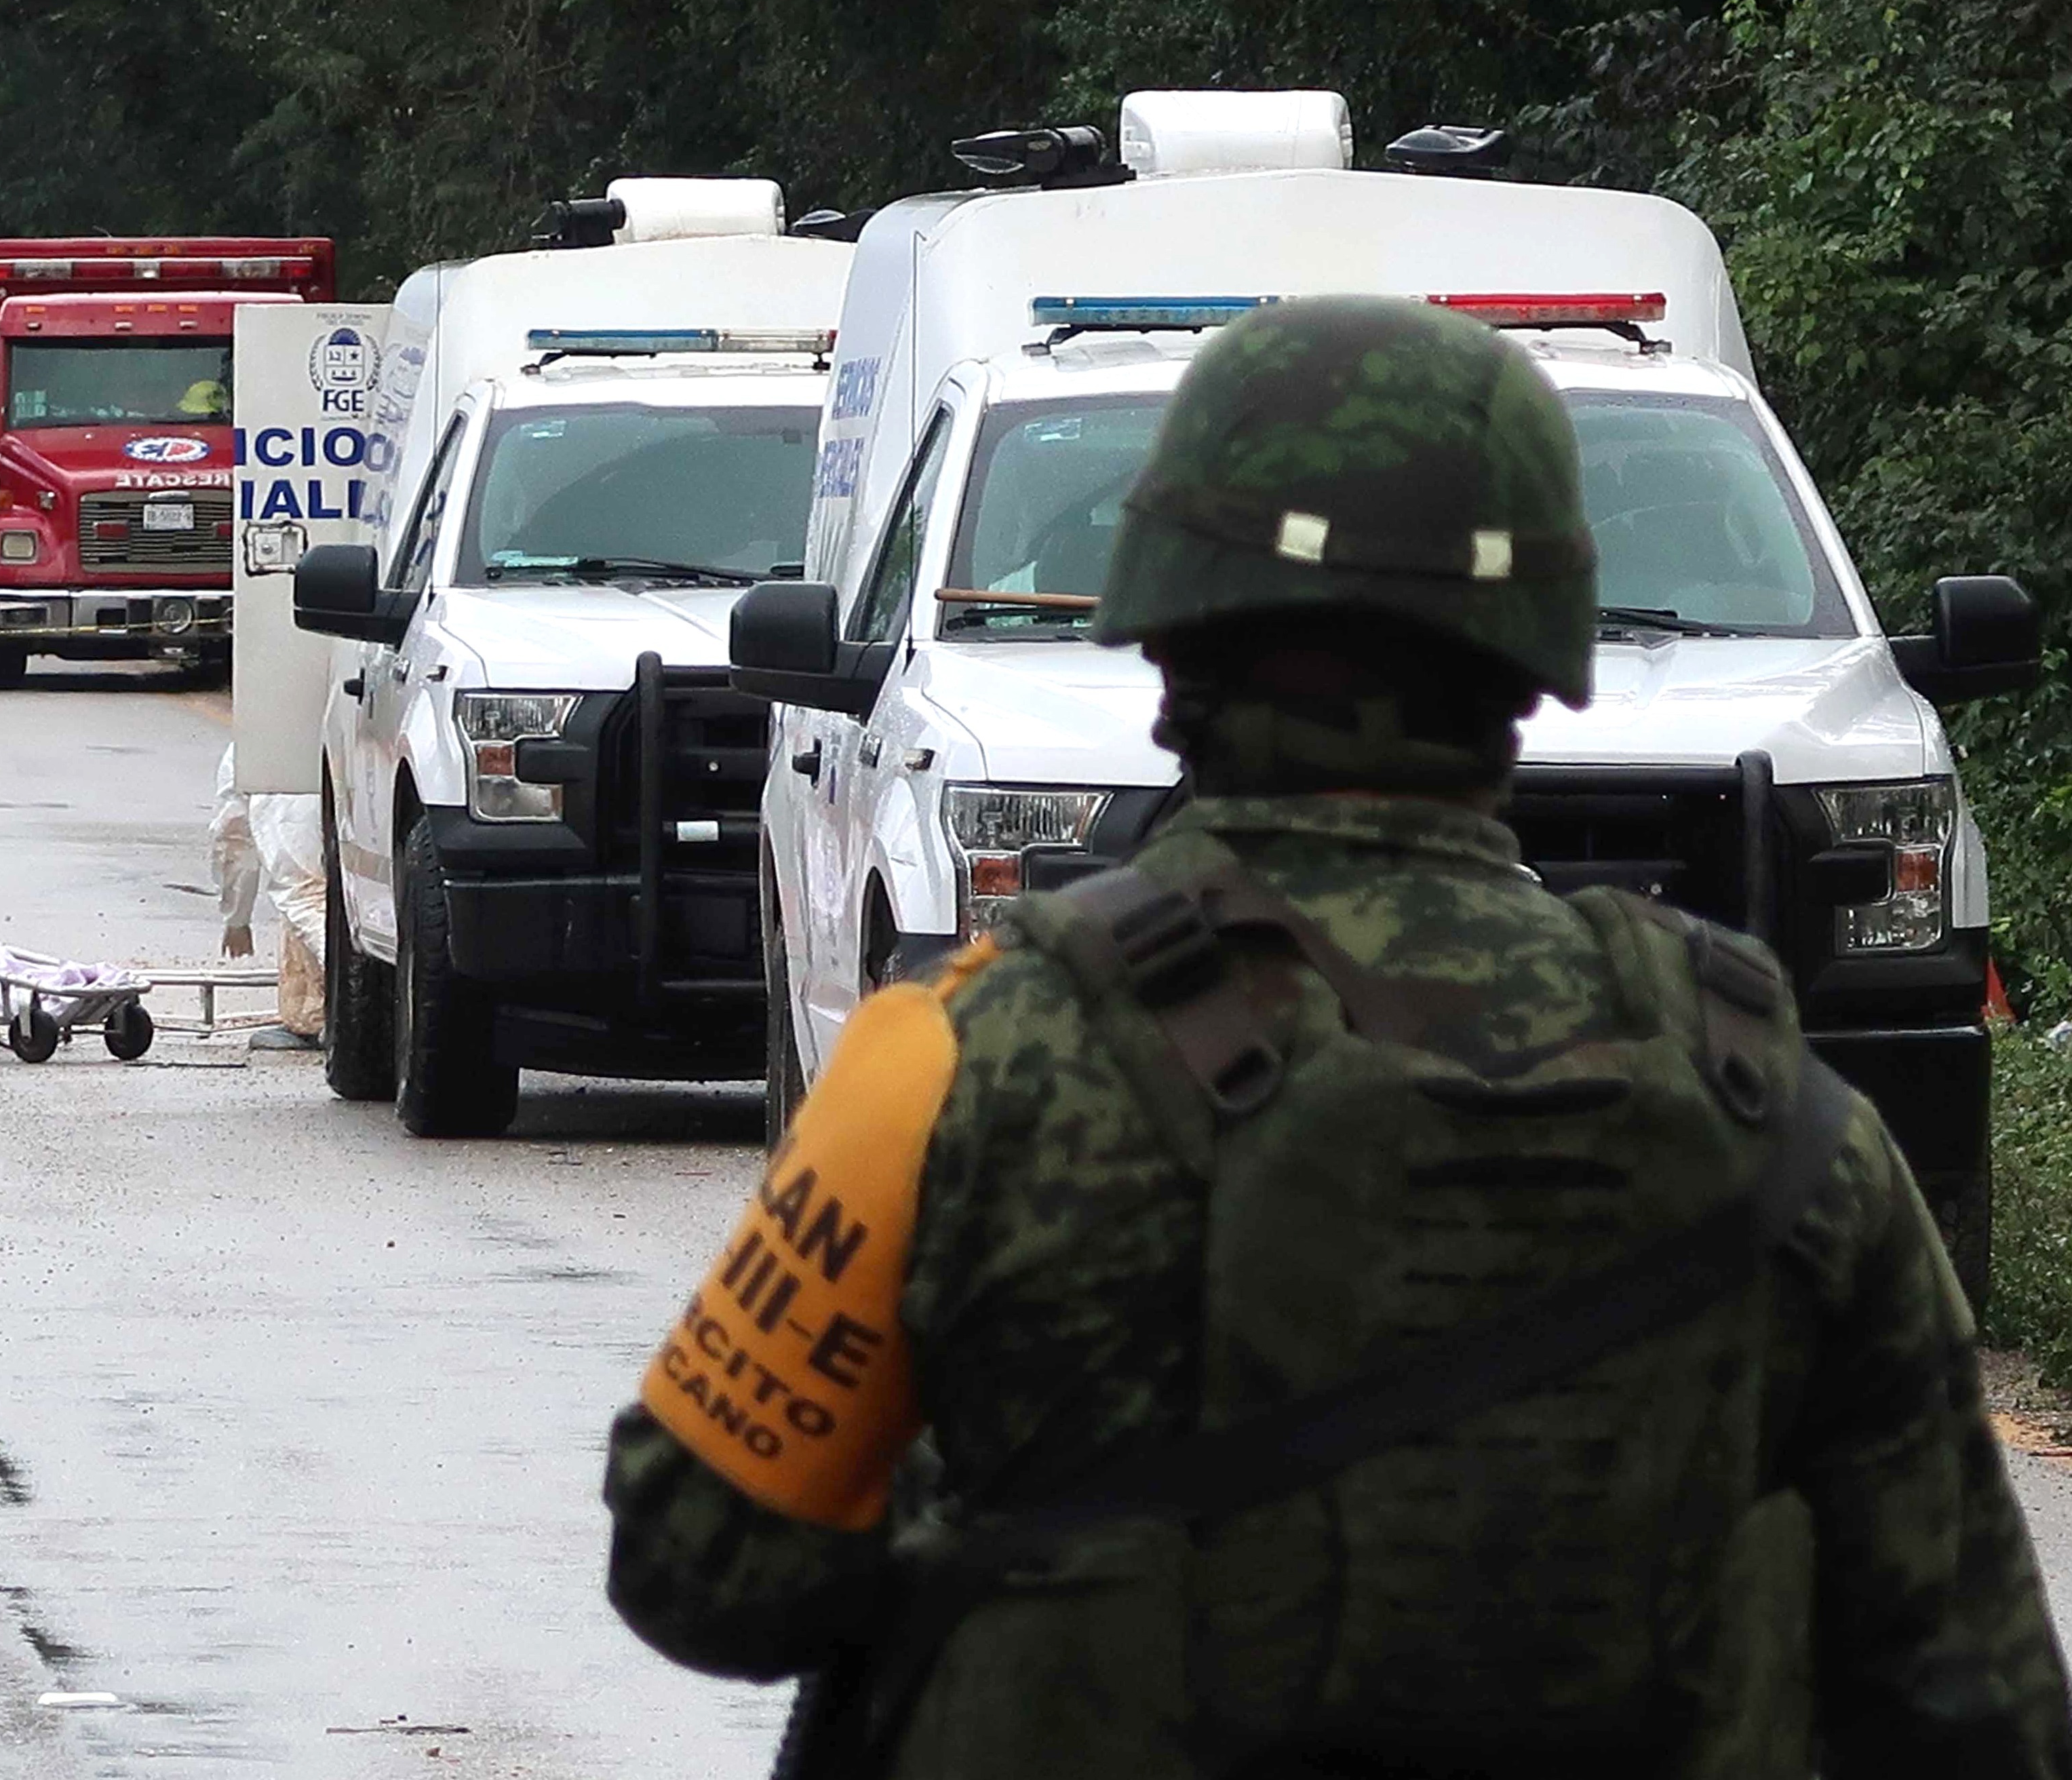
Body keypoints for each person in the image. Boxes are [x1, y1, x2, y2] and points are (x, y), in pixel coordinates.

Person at [601, 297, 2070, 1776]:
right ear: (1538, 649)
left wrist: (1015, 1559)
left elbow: (703, 1563)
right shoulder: (1776, 1107)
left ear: (1166, 633)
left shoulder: (961, 1060)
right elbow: (1977, 1708)